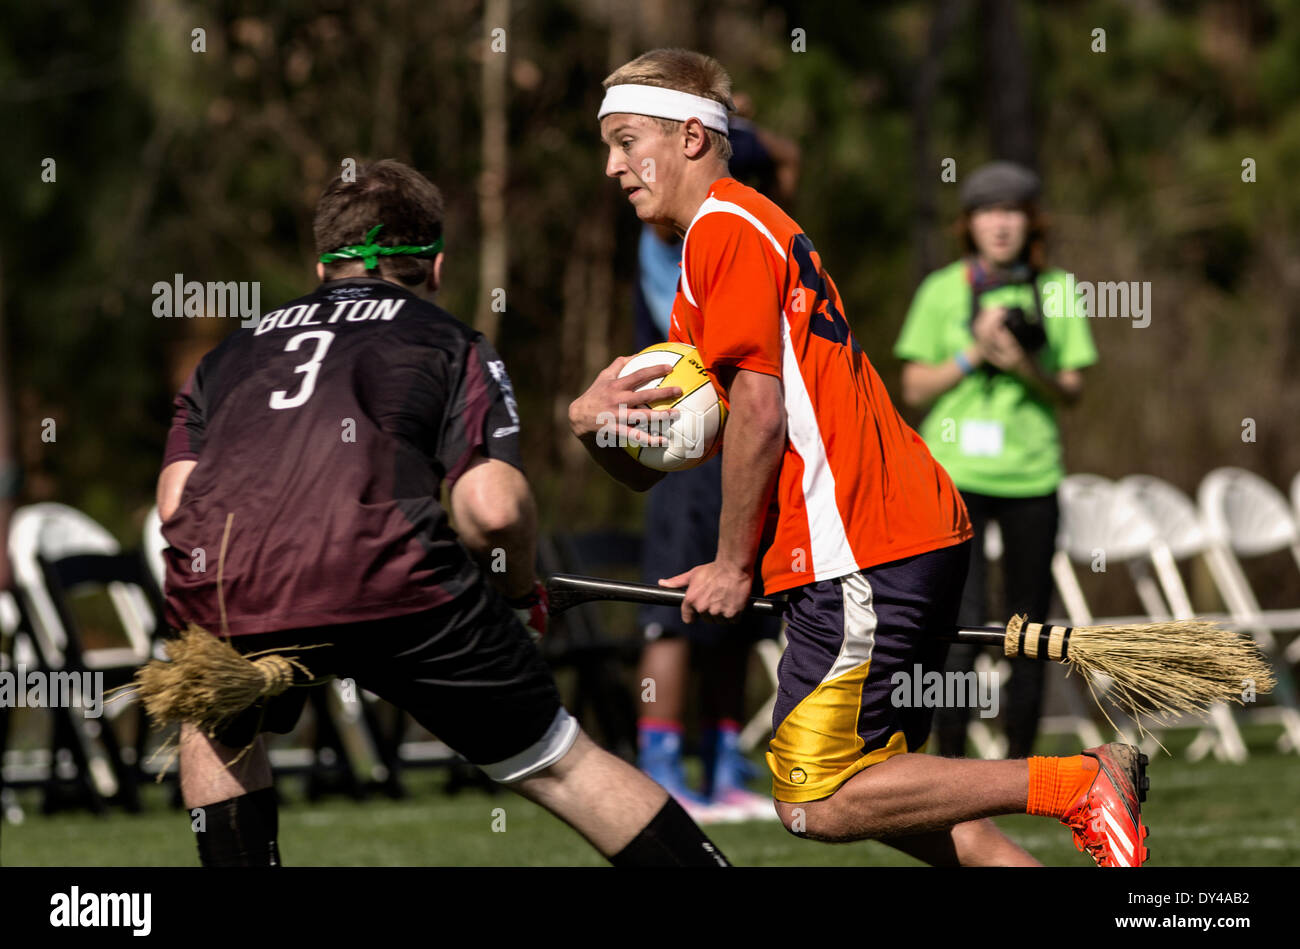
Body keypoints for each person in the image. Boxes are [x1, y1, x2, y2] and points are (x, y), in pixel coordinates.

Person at [569, 48, 1147, 866]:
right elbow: (679, 450)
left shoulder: (727, 231)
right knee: (909, 804)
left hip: (861, 541)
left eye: (628, 141)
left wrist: (733, 564)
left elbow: (761, 415)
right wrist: (591, 424)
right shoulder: (730, 241)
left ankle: (1078, 781)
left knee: (818, 800)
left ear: (693, 137)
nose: (613, 165)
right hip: (893, 532)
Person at [157, 159, 729, 867]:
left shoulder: (228, 355)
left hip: (228, 585)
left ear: (320, 265)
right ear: (435, 267)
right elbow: (490, 509)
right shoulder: (449, 341)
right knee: (560, 762)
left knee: (219, 724)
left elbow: (178, 504)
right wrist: (518, 592)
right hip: (394, 582)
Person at [894, 161, 1097, 759]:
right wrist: (972, 352)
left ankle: (1025, 766)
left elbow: (1072, 390)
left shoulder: (1057, 288)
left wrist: (1023, 367)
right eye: (987, 212)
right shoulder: (941, 289)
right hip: (955, 475)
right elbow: (913, 389)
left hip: (1032, 474)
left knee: (1030, 627)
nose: (1000, 225)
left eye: (1012, 212)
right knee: (960, 623)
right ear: (969, 224)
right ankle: (951, 761)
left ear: (1030, 223)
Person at [632, 107, 797, 822]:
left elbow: (784, 164)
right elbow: (775, 153)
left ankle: (725, 761)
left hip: (741, 445)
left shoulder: (742, 226)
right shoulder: (666, 226)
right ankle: (661, 763)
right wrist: (738, 127)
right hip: (684, 443)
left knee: (741, 608)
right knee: (674, 612)